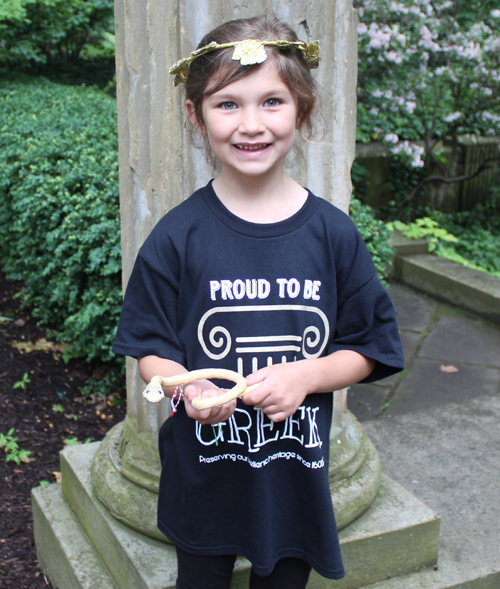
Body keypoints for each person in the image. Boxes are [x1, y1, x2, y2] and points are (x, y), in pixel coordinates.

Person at [113, 13, 404, 589]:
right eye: (228, 104)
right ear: (196, 115)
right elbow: (149, 346)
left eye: (272, 101)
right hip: (203, 474)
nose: (251, 123)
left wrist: (309, 376)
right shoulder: (177, 236)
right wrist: (186, 386)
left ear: (302, 109)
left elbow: (370, 347)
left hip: (293, 477)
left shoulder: (333, 235)